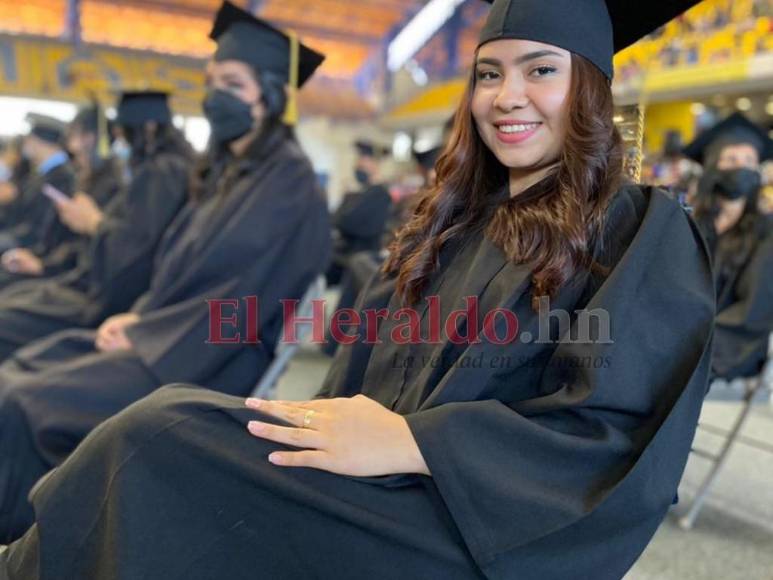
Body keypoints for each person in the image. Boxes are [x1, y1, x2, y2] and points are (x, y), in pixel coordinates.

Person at [0, 1, 713, 579]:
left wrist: (416, 442)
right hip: (369, 478)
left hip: (471, 526)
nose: (507, 96)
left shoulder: (637, 230)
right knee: (156, 439)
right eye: (488, 74)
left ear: (588, 86)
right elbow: (359, 369)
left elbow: (614, 434)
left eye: (539, 70)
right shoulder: (450, 220)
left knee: (155, 437)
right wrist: (314, 424)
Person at [0, 0, 329, 542]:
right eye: (211, 80)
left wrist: (145, 330)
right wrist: (138, 314)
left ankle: (29, 546)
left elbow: (243, 300)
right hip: (167, 338)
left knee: (22, 402)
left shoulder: (287, 186)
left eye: (232, 82)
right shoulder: (231, 174)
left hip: (204, 362)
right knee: (24, 365)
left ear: (271, 95)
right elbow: (183, 274)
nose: (214, 94)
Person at [0, 92, 193, 362]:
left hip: (101, 300)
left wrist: (94, 223)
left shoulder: (162, 173)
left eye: (124, 132)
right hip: (83, 280)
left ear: (147, 128)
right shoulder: (154, 171)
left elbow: (137, 249)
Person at [685, 112, 773, 381]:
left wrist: (692, 346)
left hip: (731, 344)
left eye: (749, 161)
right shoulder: (691, 224)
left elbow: (753, 310)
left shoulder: (767, 231)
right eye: (731, 159)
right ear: (713, 166)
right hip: (682, 334)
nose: (742, 167)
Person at [0, 115, 76, 277]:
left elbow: (41, 229)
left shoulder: (61, 177)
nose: (25, 143)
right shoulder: (43, 173)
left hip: (32, 250)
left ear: (39, 142)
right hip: (19, 238)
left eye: (30, 138)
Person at [326, 139, 393, 285]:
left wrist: (343, 214)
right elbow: (336, 219)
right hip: (346, 255)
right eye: (358, 161)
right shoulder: (362, 193)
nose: (358, 166)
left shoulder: (380, 194)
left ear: (375, 164)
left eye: (363, 161)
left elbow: (348, 222)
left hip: (358, 258)